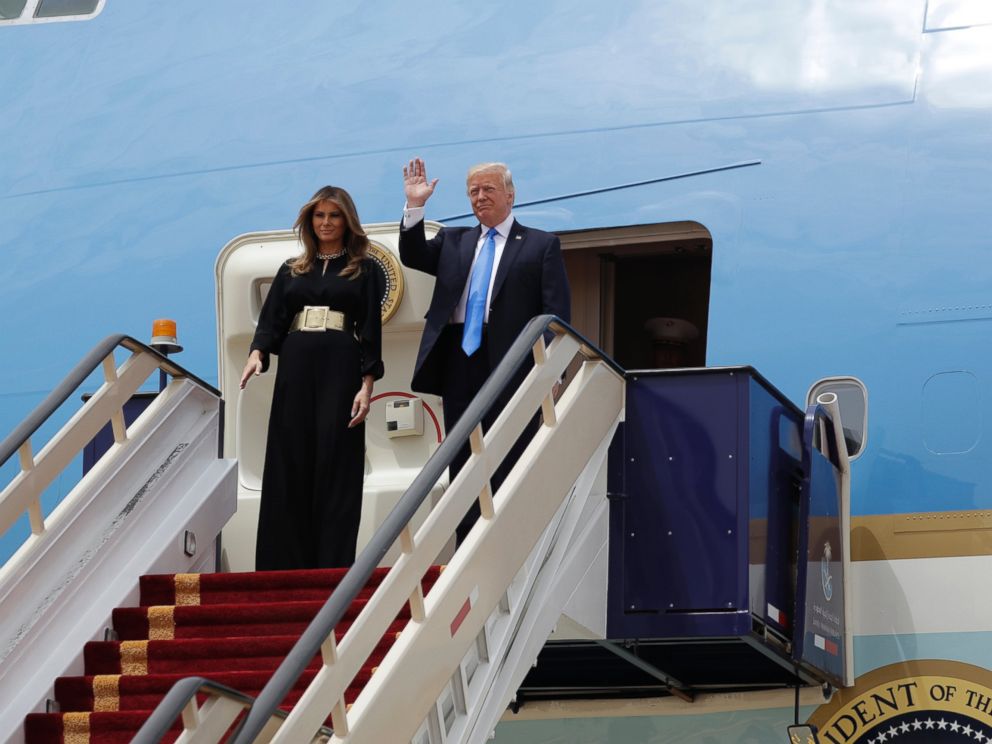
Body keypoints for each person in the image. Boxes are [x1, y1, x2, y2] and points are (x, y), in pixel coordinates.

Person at [399, 158, 570, 542]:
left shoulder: (541, 244)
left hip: (513, 361)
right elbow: (413, 256)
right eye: (473, 191)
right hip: (461, 358)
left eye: (488, 189)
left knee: (511, 449)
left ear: (510, 194)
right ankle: (466, 545)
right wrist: (415, 206)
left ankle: (513, 539)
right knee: (462, 456)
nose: (480, 197)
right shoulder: (453, 240)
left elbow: (555, 313)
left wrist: (555, 370)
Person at [240, 186, 384, 570]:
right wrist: (257, 354)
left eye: (334, 216)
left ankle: (332, 565)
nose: (325, 223)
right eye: (319, 216)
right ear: (309, 221)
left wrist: (366, 386)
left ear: (347, 221)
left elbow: (370, 330)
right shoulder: (291, 269)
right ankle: (282, 565)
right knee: (290, 456)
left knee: (336, 457)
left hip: (341, 361)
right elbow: (271, 321)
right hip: (296, 362)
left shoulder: (365, 269)